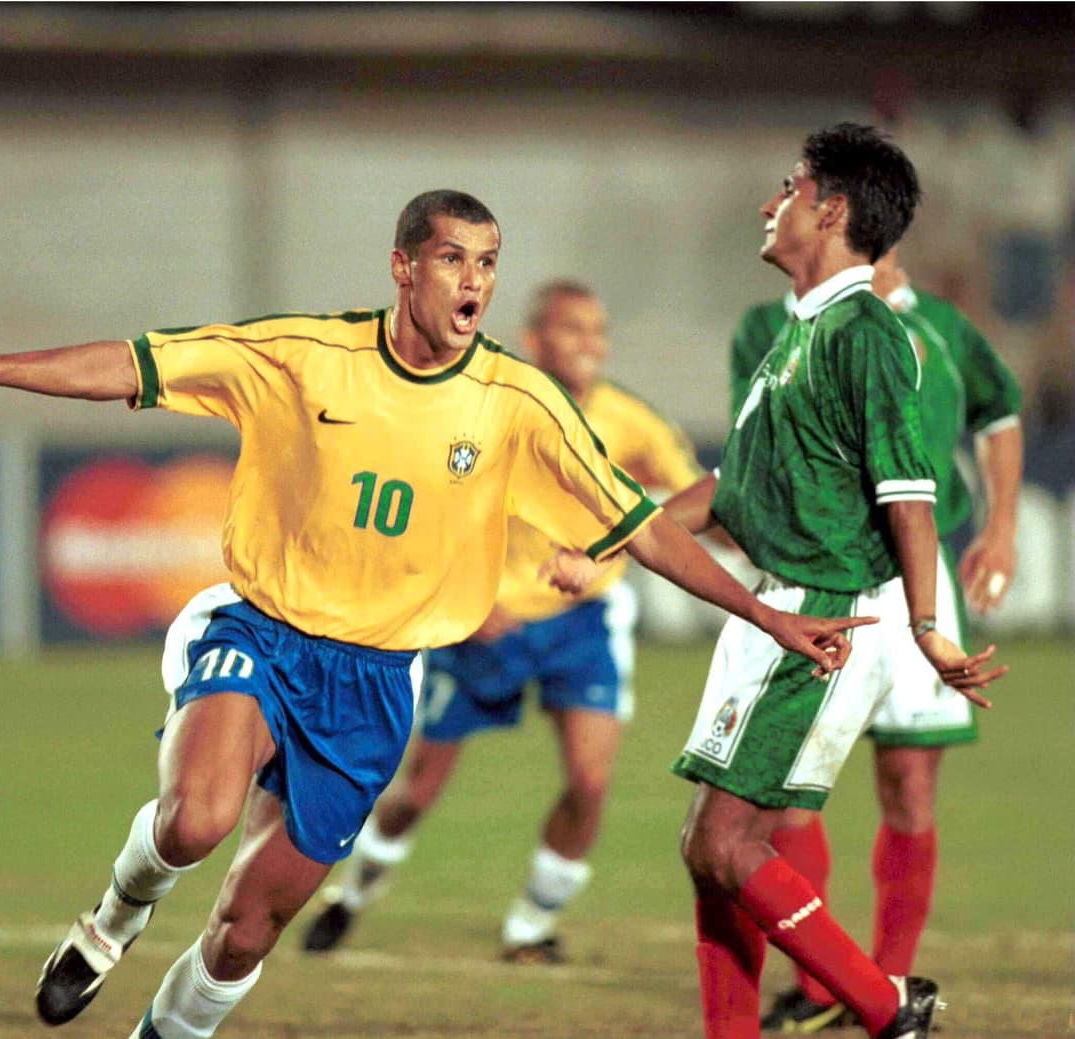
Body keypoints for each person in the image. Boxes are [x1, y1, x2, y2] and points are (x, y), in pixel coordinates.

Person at [0, 189, 868, 1039]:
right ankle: (113, 916)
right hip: (261, 632)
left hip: (379, 680)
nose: (472, 280)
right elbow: (129, 367)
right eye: (450, 258)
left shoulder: (518, 402)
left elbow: (643, 528)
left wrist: (766, 616)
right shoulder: (301, 356)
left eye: (487, 261)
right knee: (197, 817)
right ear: (402, 266)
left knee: (248, 928)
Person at [545, 125, 1008, 1039]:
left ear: (831, 211)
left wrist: (925, 628)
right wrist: (611, 541)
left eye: (786, 188)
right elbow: (730, 492)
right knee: (707, 848)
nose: (769, 204)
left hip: (819, 615)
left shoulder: (867, 334)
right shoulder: (798, 332)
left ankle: (885, 1008)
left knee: (724, 842)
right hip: (772, 611)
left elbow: (910, 498)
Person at [300, 279, 703, 962]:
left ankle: (530, 926)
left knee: (590, 779)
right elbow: (420, 506)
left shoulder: (630, 420)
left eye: (598, 331)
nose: (589, 344)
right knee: (415, 790)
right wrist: (463, 597)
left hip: (585, 618)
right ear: (534, 339)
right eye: (573, 329)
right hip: (484, 618)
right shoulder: (483, 407)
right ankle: (354, 893)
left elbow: (693, 494)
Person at [729, 250, 1023, 1033]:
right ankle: (822, 984)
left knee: (910, 789)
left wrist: (999, 526)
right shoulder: (768, 325)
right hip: (821, 582)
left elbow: (1000, 413)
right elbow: (753, 452)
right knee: (786, 793)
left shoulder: (942, 327)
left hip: (911, 580)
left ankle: (887, 988)